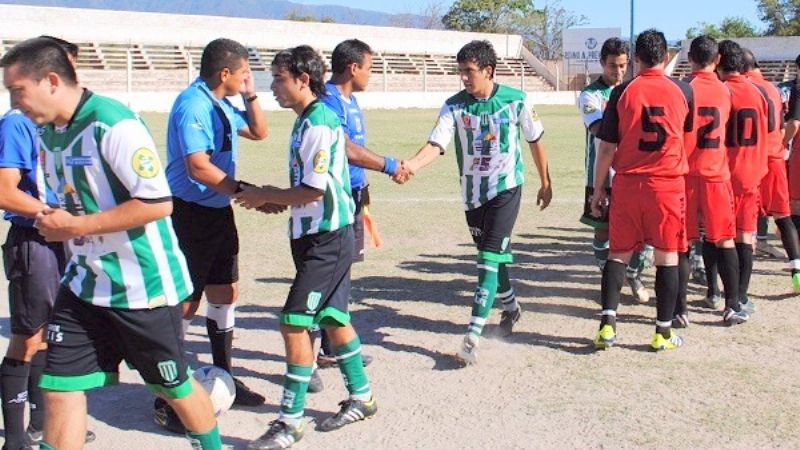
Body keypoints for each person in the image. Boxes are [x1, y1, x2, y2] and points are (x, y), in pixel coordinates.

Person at [0, 37, 222, 450]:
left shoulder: (113, 123)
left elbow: (157, 204)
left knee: (172, 388)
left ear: (50, 80)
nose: (15, 103)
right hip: (85, 284)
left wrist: (76, 224)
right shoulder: (48, 135)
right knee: (58, 386)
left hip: (143, 287)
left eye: (18, 90)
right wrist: (58, 221)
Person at [234, 45, 376, 450]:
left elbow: (313, 191)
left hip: (328, 239)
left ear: (303, 79)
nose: (273, 87)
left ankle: (290, 422)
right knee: (333, 316)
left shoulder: (317, 122)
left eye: (279, 79)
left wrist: (267, 193)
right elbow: (313, 186)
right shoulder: (305, 121)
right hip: (316, 234)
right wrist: (276, 201)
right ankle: (362, 397)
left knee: (294, 322)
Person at [397, 40, 552, 364]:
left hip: (506, 189)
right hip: (472, 195)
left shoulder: (517, 101)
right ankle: (511, 308)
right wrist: (411, 165)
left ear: (488, 71)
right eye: (461, 72)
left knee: (487, 260)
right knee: (493, 257)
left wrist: (546, 181)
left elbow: (535, 140)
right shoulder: (454, 106)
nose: (464, 78)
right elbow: (436, 144)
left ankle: (472, 335)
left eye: (469, 72)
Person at [0, 37, 96, 450]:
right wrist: (50, 214)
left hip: (62, 239)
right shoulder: (17, 123)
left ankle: (43, 421)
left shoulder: (60, 125)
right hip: (33, 241)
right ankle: (16, 438)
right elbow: (5, 191)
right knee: (29, 335)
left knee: (53, 333)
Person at [163, 37, 268, 413]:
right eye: (243, 74)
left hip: (218, 211)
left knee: (225, 292)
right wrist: (244, 191)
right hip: (190, 212)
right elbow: (198, 167)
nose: (246, 79)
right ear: (225, 73)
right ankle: (172, 389)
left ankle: (223, 377)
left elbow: (259, 132)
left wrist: (251, 94)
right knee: (188, 301)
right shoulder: (193, 105)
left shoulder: (221, 103)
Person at [312, 38, 410, 381]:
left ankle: (331, 349)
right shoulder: (328, 101)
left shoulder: (350, 101)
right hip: (329, 200)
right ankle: (308, 358)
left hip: (352, 196)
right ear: (353, 68)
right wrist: (389, 165)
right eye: (369, 67)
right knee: (322, 276)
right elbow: (348, 150)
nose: (372, 74)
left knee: (341, 272)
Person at [591, 29, 692, 352]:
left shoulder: (621, 93)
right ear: (665, 58)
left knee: (617, 254)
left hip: (629, 184)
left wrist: (597, 190)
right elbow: (684, 135)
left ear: (635, 59)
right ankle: (662, 333)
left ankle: (607, 327)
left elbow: (606, 149)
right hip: (666, 185)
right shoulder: (684, 91)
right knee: (667, 257)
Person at [677, 35, 746, 326]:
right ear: (717, 60)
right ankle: (732, 305)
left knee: (680, 244)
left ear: (689, 58)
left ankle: (679, 309)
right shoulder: (725, 91)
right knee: (725, 240)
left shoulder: (682, 89)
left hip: (686, 175)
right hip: (717, 175)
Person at [577, 37, 651, 305]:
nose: (618, 72)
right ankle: (608, 277)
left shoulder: (634, 90)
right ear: (601, 63)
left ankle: (633, 275)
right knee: (602, 230)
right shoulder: (590, 95)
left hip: (633, 172)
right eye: (612, 66)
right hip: (601, 173)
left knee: (642, 230)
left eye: (622, 66)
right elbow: (599, 129)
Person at [717, 40, 771, 316]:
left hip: (726, 172)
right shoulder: (759, 92)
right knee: (745, 236)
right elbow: (771, 127)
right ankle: (741, 296)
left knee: (719, 237)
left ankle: (718, 293)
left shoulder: (722, 91)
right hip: (752, 173)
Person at [743, 48, 800, 293]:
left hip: (751, 161)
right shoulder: (773, 89)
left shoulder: (743, 88)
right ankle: (797, 270)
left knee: (743, 225)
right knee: (783, 215)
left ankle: (737, 292)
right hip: (775, 159)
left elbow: (793, 123)